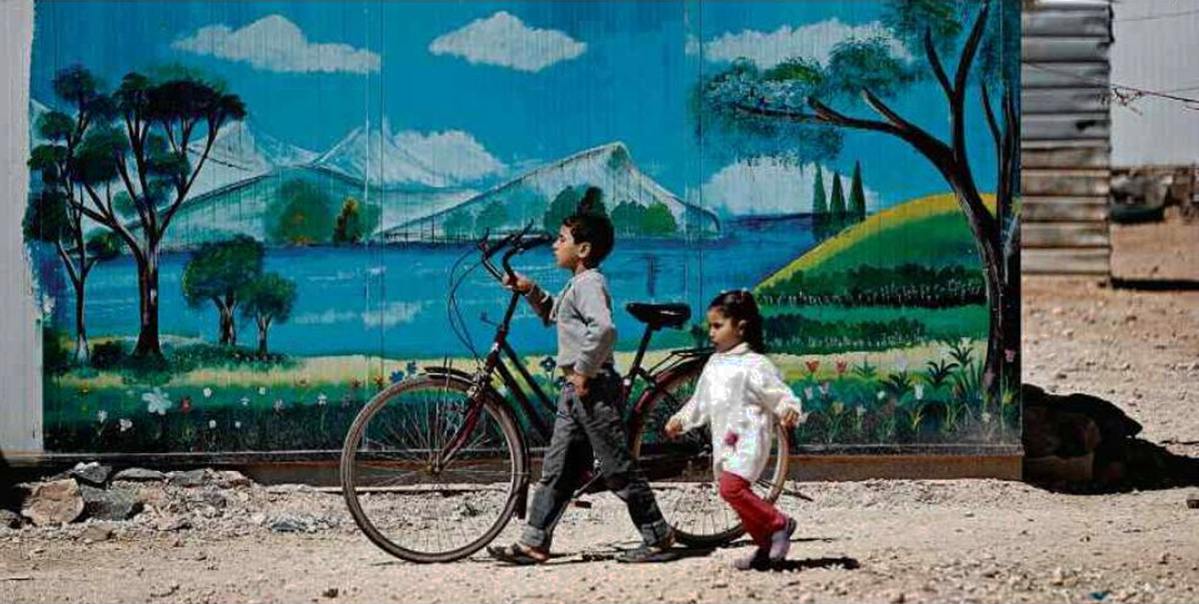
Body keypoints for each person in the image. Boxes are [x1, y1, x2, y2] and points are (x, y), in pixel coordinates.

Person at [488, 202, 675, 565]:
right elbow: (554, 313)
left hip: (593, 388)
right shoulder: (578, 283)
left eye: (562, 239)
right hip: (575, 391)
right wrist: (529, 290)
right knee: (558, 470)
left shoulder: (590, 284)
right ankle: (534, 541)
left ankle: (658, 534)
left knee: (617, 466)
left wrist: (585, 370)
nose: (555, 245)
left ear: (583, 249)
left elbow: (604, 329)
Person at [665, 290, 805, 570]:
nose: (712, 333)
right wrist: (682, 419)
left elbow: (780, 394)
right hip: (724, 440)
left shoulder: (756, 365)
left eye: (718, 326)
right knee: (731, 493)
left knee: (732, 487)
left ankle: (779, 523)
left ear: (740, 327)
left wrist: (790, 408)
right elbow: (700, 401)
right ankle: (765, 548)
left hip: (750, 439)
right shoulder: (715, 363)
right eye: (710, 327)